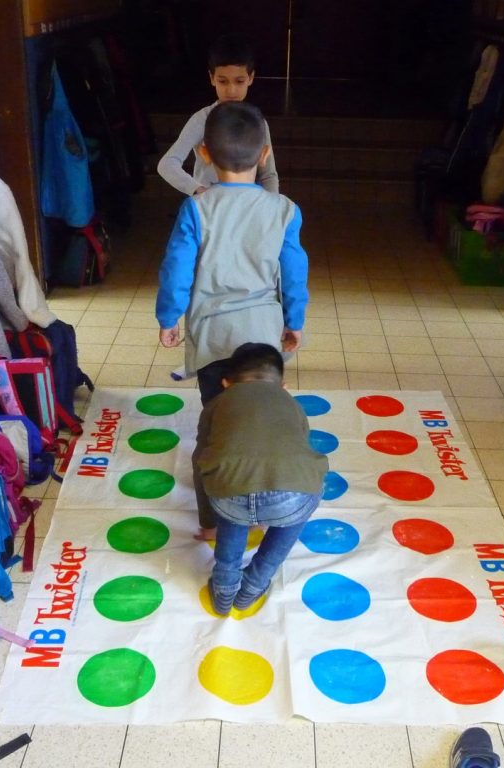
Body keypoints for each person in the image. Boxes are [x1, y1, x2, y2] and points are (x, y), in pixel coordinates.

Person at [155, 100, 310, 538]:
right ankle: (261, 505)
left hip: (212, 340)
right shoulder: (284, 209)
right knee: (262, 420)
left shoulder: (197, 208)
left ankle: (212, 521)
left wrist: (169, 317)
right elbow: (294, 271)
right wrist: (294, 320)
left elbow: (176, 268)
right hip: (264, 341)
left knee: (216, 425)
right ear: (265, 154)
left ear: (204, 153)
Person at [193, 343, 328, 616]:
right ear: (283, 386)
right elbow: (301, 446)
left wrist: (209, 523)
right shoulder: (292, 404)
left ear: (225, 383)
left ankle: (224, 586)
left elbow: (200, 462)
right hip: (292, 496)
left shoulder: (217, 403)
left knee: (233, 509)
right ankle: (255, 583)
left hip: (233, 491)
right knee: (307, 489)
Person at [156, 35, 279, 196]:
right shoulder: (202, 119)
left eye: (239, 81)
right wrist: (200, 191)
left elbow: (268, 175)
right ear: (212, 78)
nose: (231, 90)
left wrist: (271, 205)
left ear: (251, 78)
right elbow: (167, 164)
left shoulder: (256, 121)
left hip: (246, 206)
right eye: (223, 81)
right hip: (210, 208)